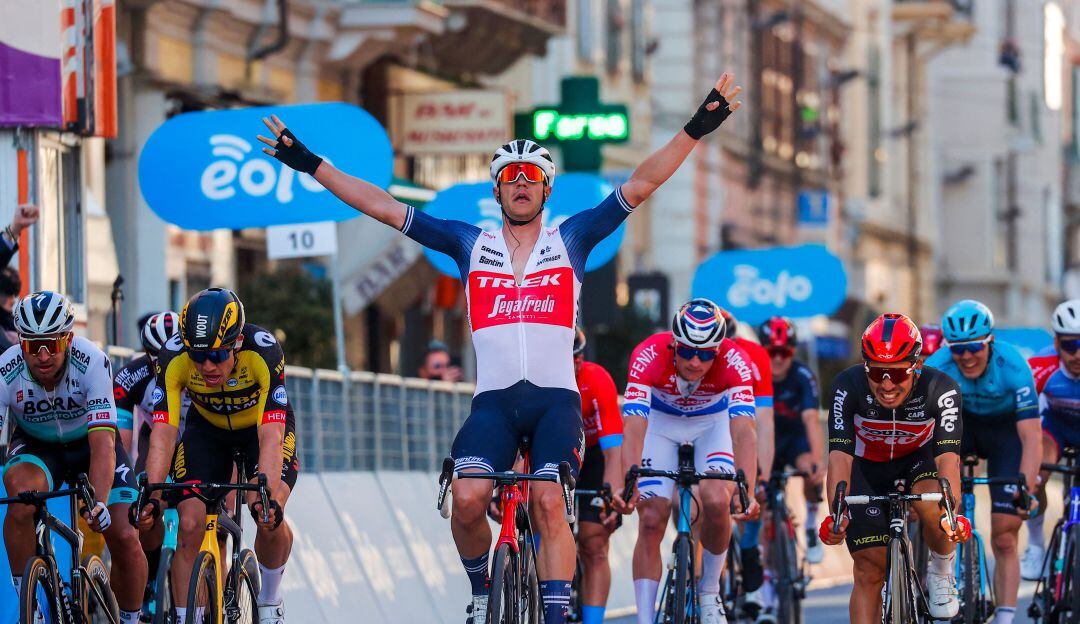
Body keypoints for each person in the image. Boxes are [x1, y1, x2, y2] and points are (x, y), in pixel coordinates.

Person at [259, 71, 743, 624]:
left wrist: (695, 129)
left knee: (545, 502)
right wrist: (312, 164)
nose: (521, 183)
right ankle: (481, 588)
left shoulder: (572, 239)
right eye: (510, 176)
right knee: (465, 501)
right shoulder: (470, 243)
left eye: (532, 176)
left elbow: (639, 185)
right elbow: (385, 207)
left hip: (556, 402)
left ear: (546, 189)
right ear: (496, 189)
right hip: (492, 403)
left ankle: (557, 614)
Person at [136, 288, 298, 624]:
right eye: (198, 356)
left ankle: (269, 601)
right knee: (190, 520)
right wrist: (151, 489)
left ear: (237, 343)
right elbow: (164, 432)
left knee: (265, 510)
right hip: (207, 430)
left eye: (218, 355)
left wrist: (265, 492)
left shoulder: (263, 350)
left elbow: (270, 435)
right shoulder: (173, 356)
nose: (207, 365)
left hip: (259, 429)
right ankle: (187, 617)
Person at [1, 291, 147, 623]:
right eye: (31, 346)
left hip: (89, 443)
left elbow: (103, 446)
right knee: (19, 502)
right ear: (20, 343)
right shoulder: (5, 369)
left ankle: (130, 618)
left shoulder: (92, 361)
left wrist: (99, 501)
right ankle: (33, 603)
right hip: (39, 448)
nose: (41, 356)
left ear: (68, 339)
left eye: (50, 345)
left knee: (124, 534)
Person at [819, 313, 969, 623]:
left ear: (916, 366)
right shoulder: (847, 386)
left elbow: (948, 459)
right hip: (867, 469)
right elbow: (839, 457)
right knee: (868, 571)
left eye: (898, 374)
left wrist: (951, 515)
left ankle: (941, 570)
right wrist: (837, 513)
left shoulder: (941, 389)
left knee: (934, 501)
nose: (886, 384)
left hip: (918, 463)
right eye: (876, 372)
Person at [622, 298, 760, 624]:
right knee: (652, 516)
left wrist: (747, 489)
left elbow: (744, 432)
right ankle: (644, 618)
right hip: (661, 424)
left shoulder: (736, 360)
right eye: (686, 352)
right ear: (673, 344)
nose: (696, 362)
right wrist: (630, 479)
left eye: (706, 354)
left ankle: (710, 593)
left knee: (715, 500)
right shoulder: (648, 354)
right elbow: (634, 426)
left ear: (719, 350)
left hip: (711, 425)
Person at [924, 300, 1038, 624]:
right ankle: (943, 574)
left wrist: (1025, 486)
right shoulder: (937, 367)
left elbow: (1031, 436)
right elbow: (924, 432)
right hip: (960, 428)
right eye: (959, 350)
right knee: (942, 510)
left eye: (974, 347)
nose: (967, 356)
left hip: (1005, 434)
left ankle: (1003, 617)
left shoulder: (1014, 365)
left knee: (1004, 535)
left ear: (990, 341)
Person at [757, 317, 824, 567]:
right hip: (765, 441)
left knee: (810, 468)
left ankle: (809, 527)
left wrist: (817, 461)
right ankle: (763, 583)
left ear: (793, 352)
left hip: (795, 439)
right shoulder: (753, 375)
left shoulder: (803, 376)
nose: (777, 358)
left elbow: (811, 421)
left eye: (784, 352)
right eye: (772, 351)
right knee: (761, 506)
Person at [716, 308, 774, 598]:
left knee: (754, 491)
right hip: (710, 428)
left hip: (742, 427)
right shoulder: (693, 359)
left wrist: (760, 473)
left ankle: (749, 548)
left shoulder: (752, 356)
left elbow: (762, 421)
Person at [1022, 299, 1080, 582]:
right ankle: (1035, 544)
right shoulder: (1040, 366)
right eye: (1071, 345)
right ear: (1056, 343)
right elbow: (1023, 417)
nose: (1078, 354)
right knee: (1034, 472)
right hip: (1055, 428)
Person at [572, 328, 623, 624]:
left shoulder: (596, 379)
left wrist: (612, 496)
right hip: (558, 455)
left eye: (574, 359)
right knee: (546, 528)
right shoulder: (537, 381)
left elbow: (614, 452)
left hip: (594, 458)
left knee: (594, 544)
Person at [114, 311, 182, 470]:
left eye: (176, 359)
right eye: (161, 361)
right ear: (148, 356)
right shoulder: (130, 377)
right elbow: (120, 448)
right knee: (144, 485)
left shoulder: (204, 370)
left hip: (196, 438)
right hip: (154, 434)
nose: (169, 367)